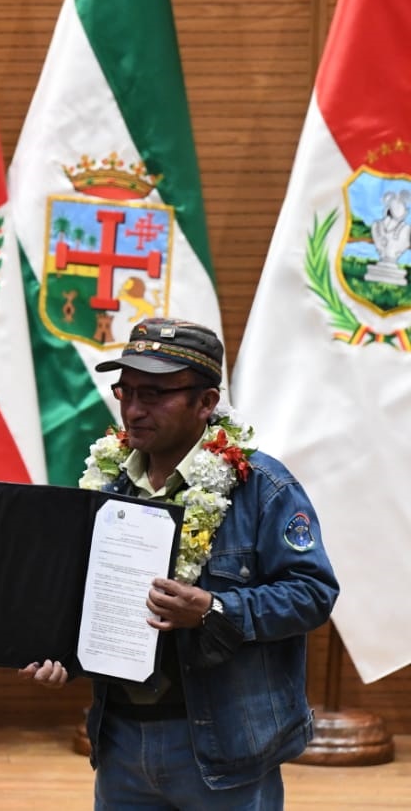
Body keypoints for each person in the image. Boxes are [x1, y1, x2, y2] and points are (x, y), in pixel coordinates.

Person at [21, 318, 339, 809]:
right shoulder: (108, 485)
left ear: (206, 402)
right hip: (122, 741)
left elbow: (313, 594)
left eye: (155, 393)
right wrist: (59, 653)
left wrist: (214, 609)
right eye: (125, 391)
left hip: (225, 745)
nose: (133, 408)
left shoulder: (263, 487)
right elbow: (87, 599)